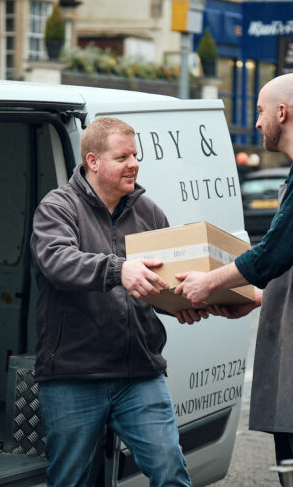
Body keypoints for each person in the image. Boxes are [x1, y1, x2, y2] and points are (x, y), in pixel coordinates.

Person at [173, 73, 293, 483]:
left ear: (283, 112)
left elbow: (276, 251)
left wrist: (209, 283)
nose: (257, 122)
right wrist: (258, 298)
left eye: (260, 111)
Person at [30, 117, 192, 487]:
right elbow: (57, 261)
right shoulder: (58, 207)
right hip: (74, 374)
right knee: (70, 481)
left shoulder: (149, 212)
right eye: (122, 157)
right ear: (93, 161)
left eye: (135, 155)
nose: (133, 164)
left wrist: (185, 303)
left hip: (139, 374)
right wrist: (119, 270)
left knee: (171, 473)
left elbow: (164, 279)